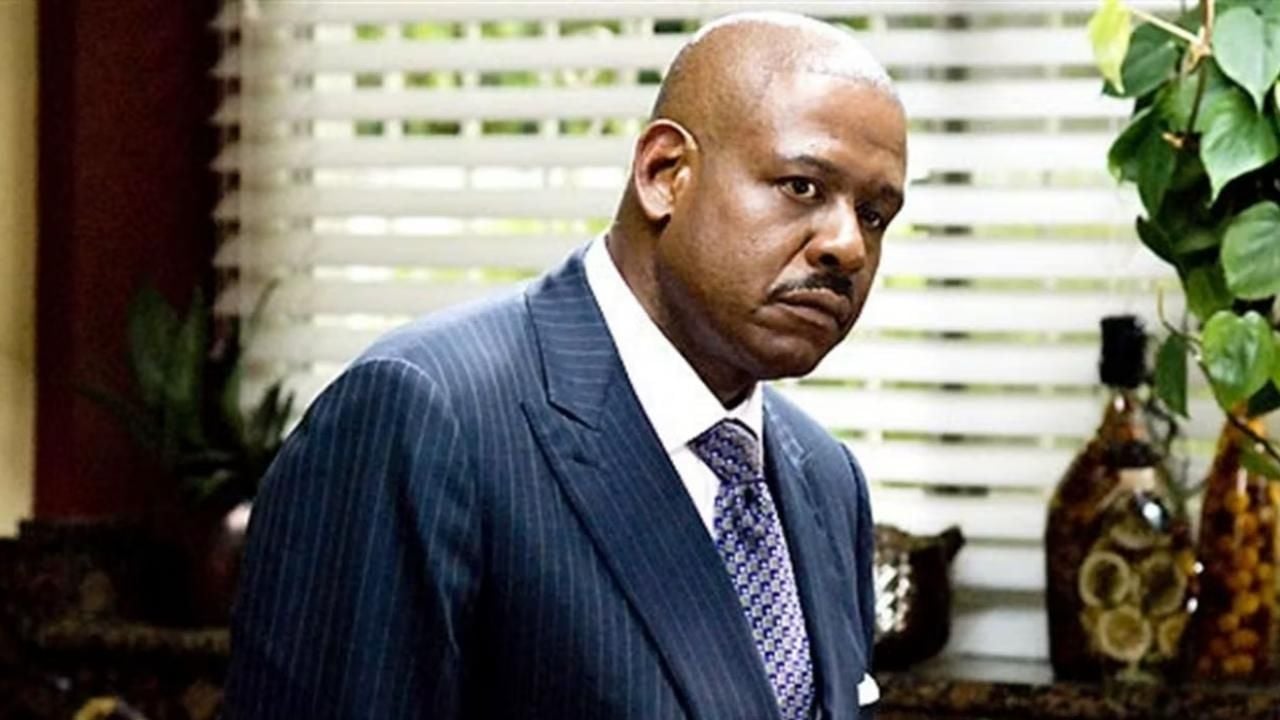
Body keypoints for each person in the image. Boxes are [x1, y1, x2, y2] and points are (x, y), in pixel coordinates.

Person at [224, 10, 906, 720]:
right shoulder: (426, 417)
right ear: (664, 174)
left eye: (874, 214)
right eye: (802, 186)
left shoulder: (826, 478)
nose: (847, 246)